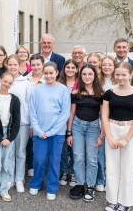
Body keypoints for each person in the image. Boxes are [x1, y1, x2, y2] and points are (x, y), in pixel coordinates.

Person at [101, 62, 133, 211]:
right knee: (112, 168)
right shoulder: (109, 93)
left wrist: (126, 139)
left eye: (124, 74)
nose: (120, 77)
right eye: (117, 74)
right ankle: (112, 201)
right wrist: (110, 137)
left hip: (129, 132)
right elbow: (104, 116)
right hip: (112, 129)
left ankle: (125, 203)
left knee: (128, 168)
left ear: (130, 75)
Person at [28, 61, 70, 201]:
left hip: (56, 134)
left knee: (54, 160)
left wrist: (51, 132)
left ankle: (52, 187)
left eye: (51, 73)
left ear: (57, 73)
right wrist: (38, 130)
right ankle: (36, 183)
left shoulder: (63, 90)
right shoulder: (37, 89)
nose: (48, 75)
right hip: (40, 133)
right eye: (46, 73)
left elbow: (65, 113)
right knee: (39, 160)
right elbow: (32, 111)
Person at [66, 64, 104, 202]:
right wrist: (69, 133)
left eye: (90, 74)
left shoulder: (101, 94)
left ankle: (91, 186)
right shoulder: (76, 93)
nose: (87, 77)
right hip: (77, 127)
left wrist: (102, 135)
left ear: (95, 76)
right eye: (84, 74)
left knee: (92, 158)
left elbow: (104, 116)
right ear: (80, 76)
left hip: (94, 128)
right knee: (78, 156)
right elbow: (71, 113)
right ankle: (80, 184)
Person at [0, 54, 32, 193]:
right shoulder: (1, 82)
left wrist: (31, 125)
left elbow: (30, 103)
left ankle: (19, 179)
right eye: (10, 65)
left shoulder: (26, 82)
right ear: (7, 66)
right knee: (9, 152)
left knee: (21, 152)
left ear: (19, 66)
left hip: (22, 123)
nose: (12, 67)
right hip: (6, 123)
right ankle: (10, 178)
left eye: (15, 65)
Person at [0, 72, 21, 203]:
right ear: (0, 80)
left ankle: (4, 190)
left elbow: (17, 121)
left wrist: (9, 138)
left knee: (6, 164)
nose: (7, 84)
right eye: (5, 81)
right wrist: (0, 138)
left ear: (12, 84)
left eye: (10, 82)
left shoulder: (15, 100)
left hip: (9, 134)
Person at [96, 55, 117, 191]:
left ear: (114, 66)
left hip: (116, 119)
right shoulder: (97, 82)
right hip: (99, 117)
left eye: (110, 65)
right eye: (104, 65)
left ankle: (113, 180)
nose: (107, 67)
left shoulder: (119, 81)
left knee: (114, 151)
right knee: (100, 151)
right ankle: (100, 179)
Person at [58, 59, 78, 187]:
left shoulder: (80, 83)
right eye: (68, 67)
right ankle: (64, 172)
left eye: (73, 67)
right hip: (61, 121)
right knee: (63, 149)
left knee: (75, 149)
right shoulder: (59, 83)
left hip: (77, 120)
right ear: (64, 69)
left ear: (77, 69)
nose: (70, 70)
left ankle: (74, 173)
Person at [26, 54, 46, 177]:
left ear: (42, 64)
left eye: (38, 64)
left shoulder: (48, 79)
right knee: (30, 143)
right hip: (28, 116)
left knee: (42, 144)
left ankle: (41, 167)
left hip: (44, 117)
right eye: (33, 65)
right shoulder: (25, 80)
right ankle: (31, 165)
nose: (36, 67)